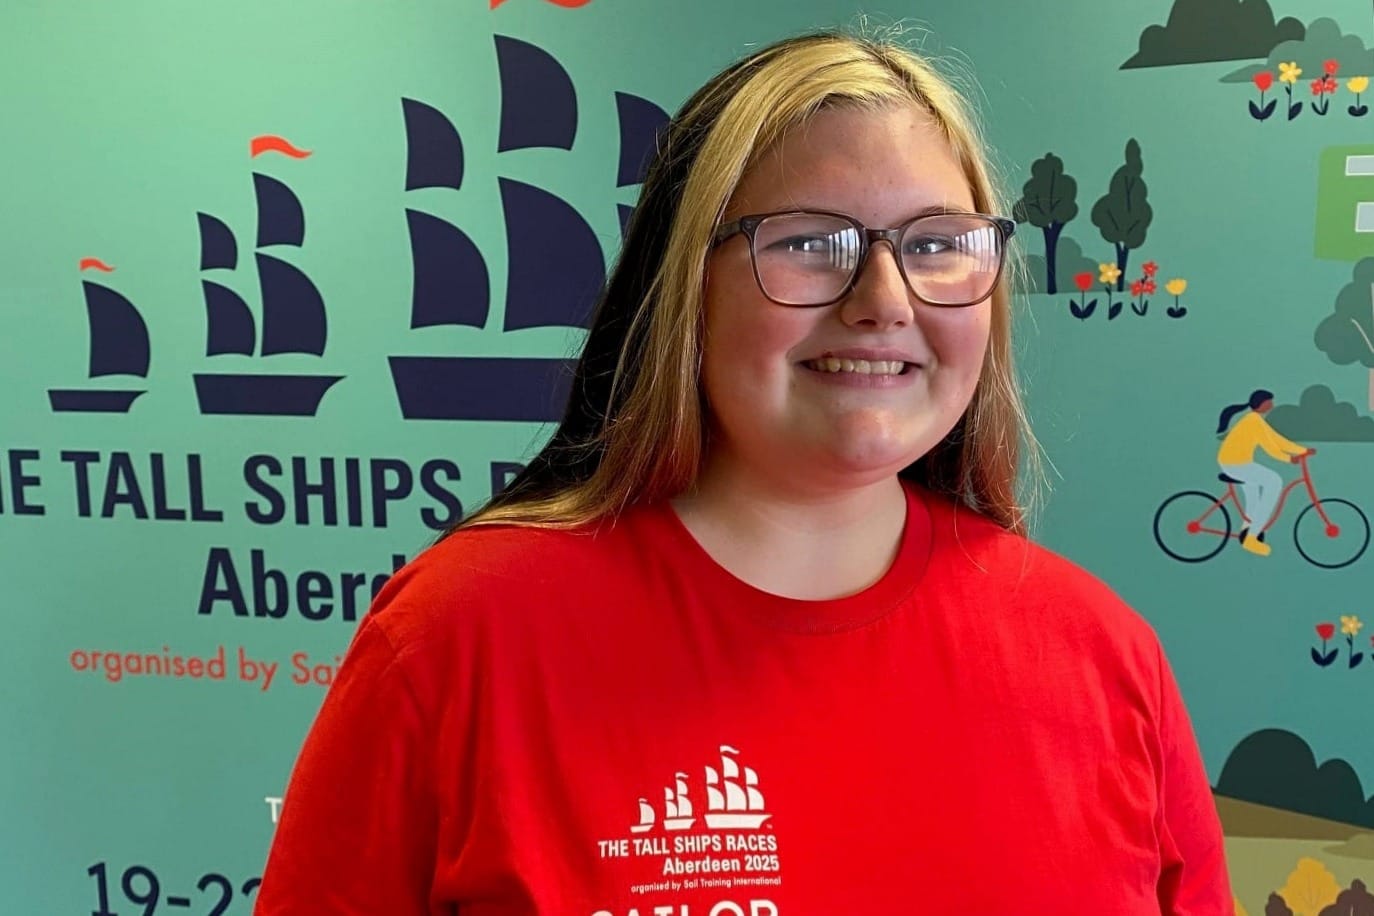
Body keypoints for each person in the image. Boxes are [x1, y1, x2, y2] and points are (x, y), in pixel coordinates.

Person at [255, 29, 1232, 914]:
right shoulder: (457, 639)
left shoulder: (1105, 660)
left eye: (935, 245)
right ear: (687, 287)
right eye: (809, 243)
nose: (883, 300)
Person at [1215, 389, 1313, 557]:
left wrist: (1302, 450)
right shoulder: (1253, 421)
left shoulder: (1255, 420)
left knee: (1254, 491)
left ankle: (1248, 528)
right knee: (1274, 481)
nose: (1272, 405)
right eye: (1270, 402)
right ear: (1262, 404)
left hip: (1235, 462)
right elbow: (1270, 447)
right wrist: (1290, 459)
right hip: (1235, 463)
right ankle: (1251, 539)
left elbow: (1276, 439)